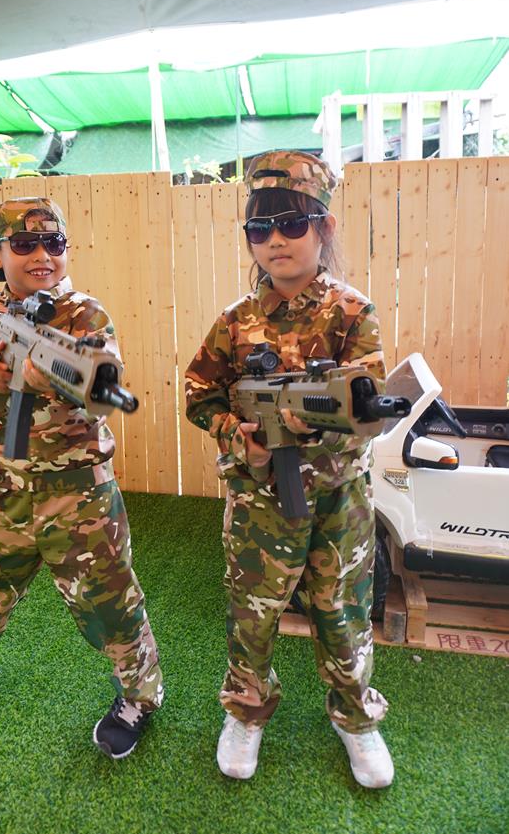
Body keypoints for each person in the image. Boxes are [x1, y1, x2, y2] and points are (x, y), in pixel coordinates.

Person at [0, 196, 163, 759]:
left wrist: (56, 377)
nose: (42, 255)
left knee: (110, 603)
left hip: (79, 495)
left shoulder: (85, 315)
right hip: (5, 491)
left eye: (54, 243)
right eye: (24, 244)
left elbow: (105, 381)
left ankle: (140, 696)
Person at [184, 151, 393, 788]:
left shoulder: (353, 313)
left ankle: (356, 717)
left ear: (324, 228)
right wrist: (241, 438)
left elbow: (369, 407)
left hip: (337, 498)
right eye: (259, 227)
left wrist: (316, 425)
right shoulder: (235, 322)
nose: (275, 240)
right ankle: (246, 712)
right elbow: (199, 394)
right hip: (260, 499)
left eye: (292, 223)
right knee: (253, 614)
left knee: (344, 611)